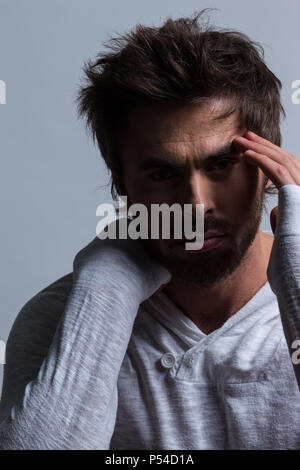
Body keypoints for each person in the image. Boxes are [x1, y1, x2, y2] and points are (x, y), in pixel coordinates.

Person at [0, 9, 300, 450]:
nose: (196, 205)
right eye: (162, 175)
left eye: (221, 166)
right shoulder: (60, 319)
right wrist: (107, 283)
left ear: (267, 169)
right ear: (120, 183)